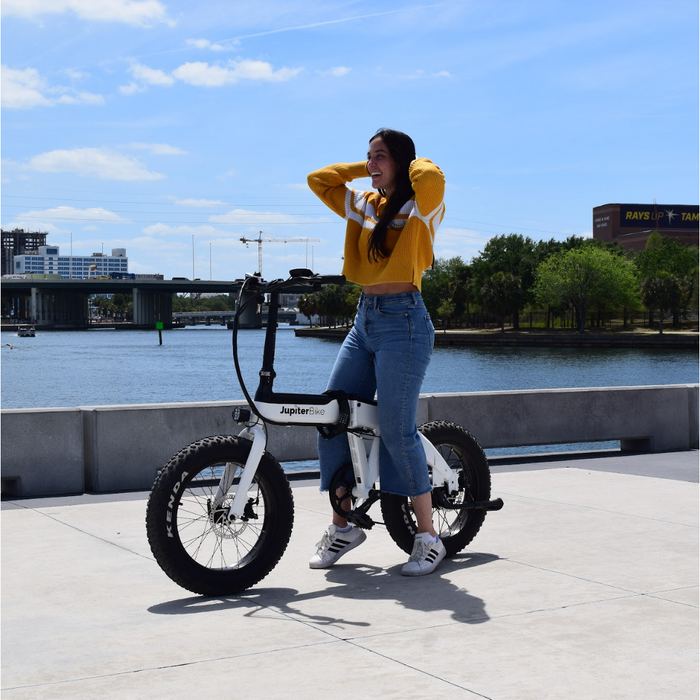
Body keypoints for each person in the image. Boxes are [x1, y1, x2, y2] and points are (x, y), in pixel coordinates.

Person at [306, 128, 446, 576]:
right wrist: (363, 166)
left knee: (395, 427)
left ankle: (427, 536)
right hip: (363, 319)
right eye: (369, 156)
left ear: (403, 162)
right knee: (333, 416)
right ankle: (343, 525)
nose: (371, 164)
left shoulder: (421, 206)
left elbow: (432, 178)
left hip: (403, 322)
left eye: (380, 156)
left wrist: (403, 163)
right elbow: (319, 180)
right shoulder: (365, 204)